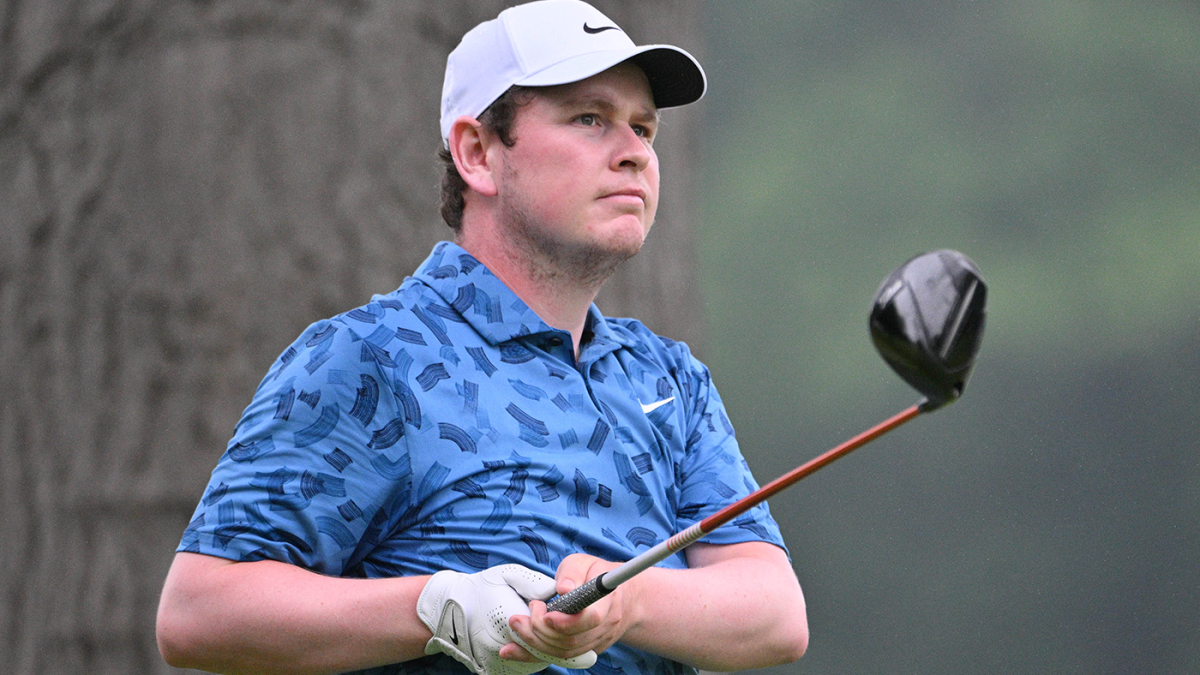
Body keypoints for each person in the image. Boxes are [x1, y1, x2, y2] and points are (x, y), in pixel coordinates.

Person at [155, 2, 809, 674]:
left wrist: (629, 601)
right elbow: (200, 610)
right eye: (590, 118)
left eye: (644, 129)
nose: (634, 152)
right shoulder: (371, 358)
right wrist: (434, 608)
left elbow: (773, 614)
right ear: (477, 153)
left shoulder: (668, 379)